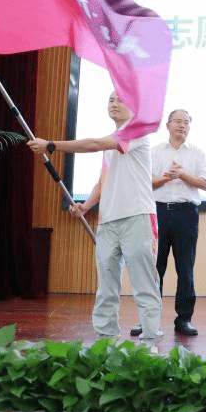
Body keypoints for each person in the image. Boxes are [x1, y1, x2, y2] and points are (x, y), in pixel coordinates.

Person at [28, 92, 163, 343]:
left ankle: (150, 340)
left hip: (136, 216)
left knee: (143, 282)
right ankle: (106, 339)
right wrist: (86, 206)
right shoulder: (112, 142)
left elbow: (92, 144)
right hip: (108, 220)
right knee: (106, 286)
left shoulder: (135, 133)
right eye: (110, 100)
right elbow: (103, 181)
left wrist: (51, 145)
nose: (114, 104)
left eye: (120, 99)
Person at [141, 109, 206, 338]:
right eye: (178, 121)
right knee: (154, 269)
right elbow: (145, 182)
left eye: (186, 122)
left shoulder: (197, 153)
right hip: (158, 212)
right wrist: (167, 177)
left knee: (185, 269)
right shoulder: (154, 152)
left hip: (186, 214)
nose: (182, 126)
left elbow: (204, 183)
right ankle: (149, 321)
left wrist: (182, 174)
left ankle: (184, 319)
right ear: (168, 125)